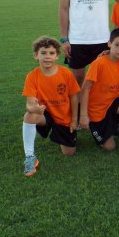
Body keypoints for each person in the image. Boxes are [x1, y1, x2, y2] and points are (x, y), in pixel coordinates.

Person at [22, 37, 80, 176]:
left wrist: (73, 120)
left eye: (51, 53)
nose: (47, 57)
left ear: (57, 56)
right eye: (43, 53)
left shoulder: (66, 73)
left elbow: (74, 97)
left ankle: (60, 134)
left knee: (69, 153)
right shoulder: (32, 76)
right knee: (29, 115)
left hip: (63, 117)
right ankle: (30, 157)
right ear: (36, 55)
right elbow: (30, 104)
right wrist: (33, 109)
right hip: (45, 114)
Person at [79, 29, 119, 153]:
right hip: (96, 111)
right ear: (109, 44)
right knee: (110, 147)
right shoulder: (99, 63)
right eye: (117, 45)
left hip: (113, 103)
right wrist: (84, 115)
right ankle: (107, 128)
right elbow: (85, 89)